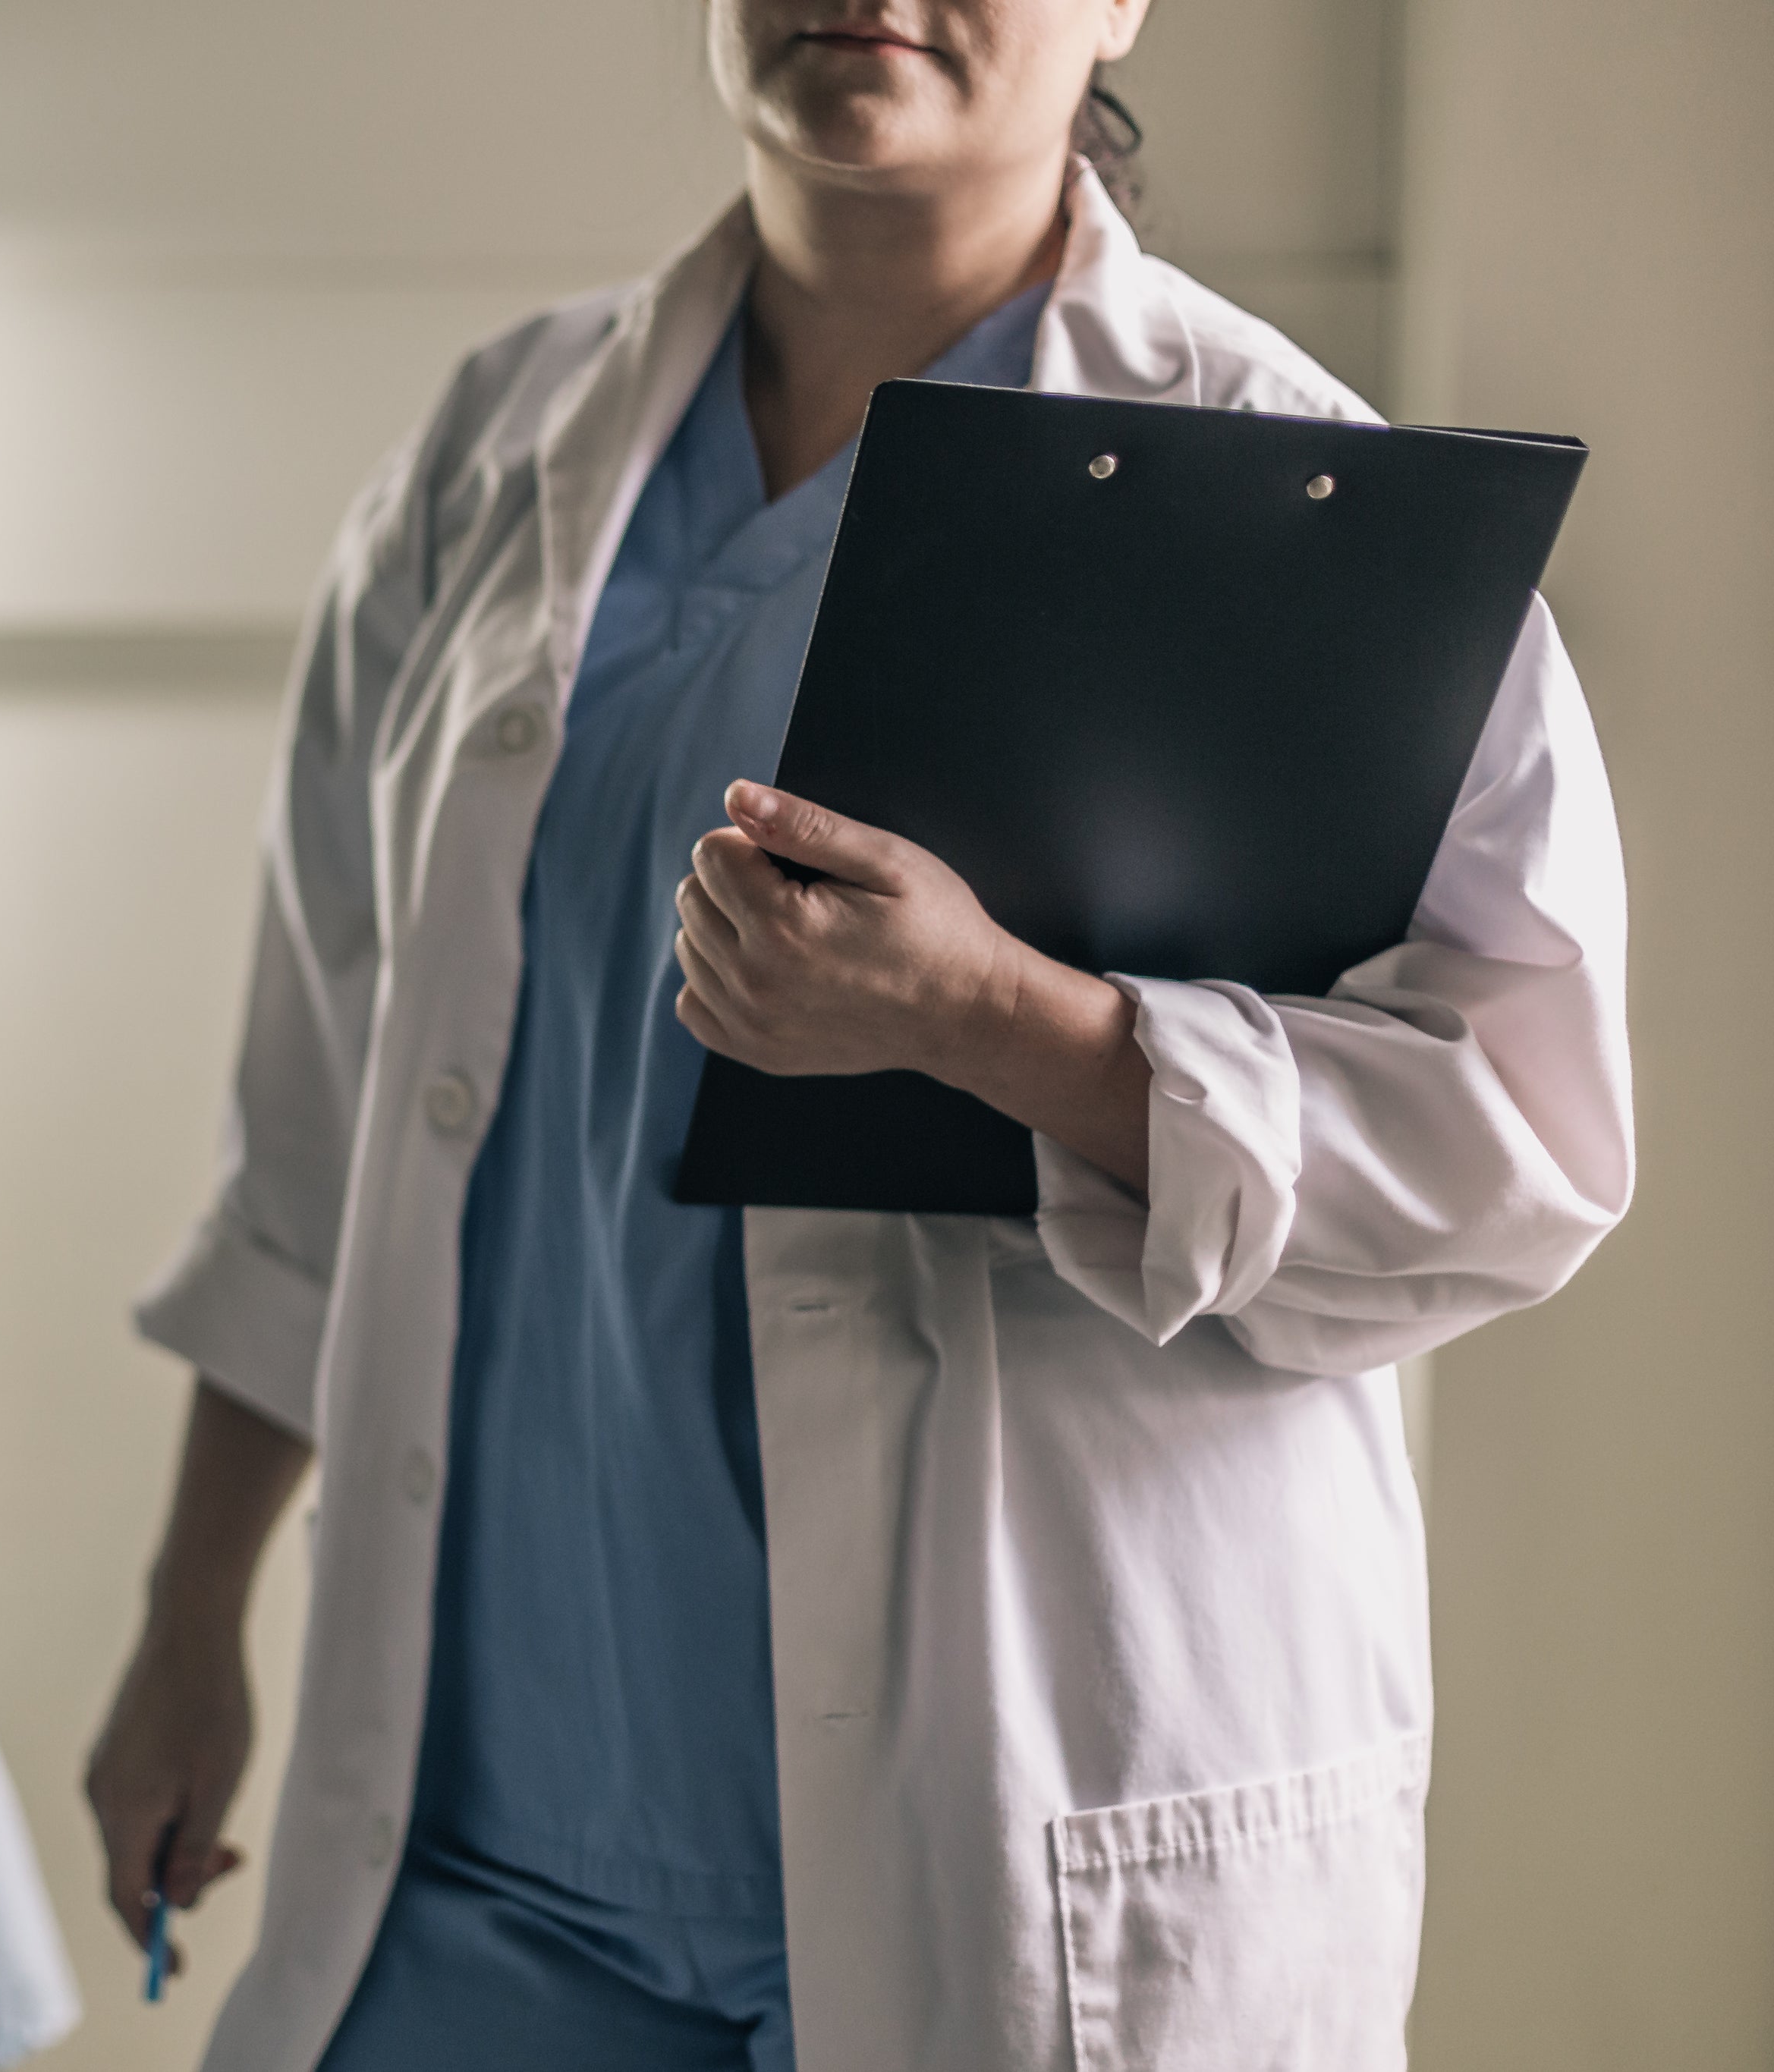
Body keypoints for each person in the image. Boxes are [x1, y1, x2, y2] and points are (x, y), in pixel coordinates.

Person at [86, 0, 1634, 2065]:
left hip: (1010, 1848)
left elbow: (1518, 1150)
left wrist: (1019, 1028)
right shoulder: (491, 457)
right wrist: (191, 1620)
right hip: (490, 1869)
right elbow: (318, 1125)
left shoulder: (1298, 488)